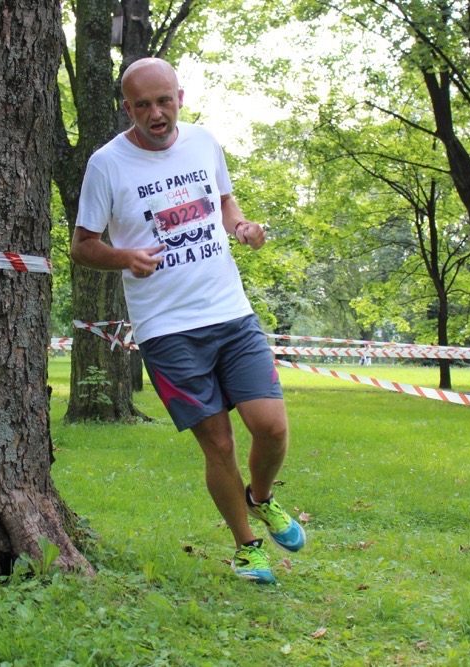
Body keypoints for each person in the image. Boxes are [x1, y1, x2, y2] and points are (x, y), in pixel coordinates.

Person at [70, 57, 304, 584]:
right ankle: (246, 547)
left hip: (231, 313)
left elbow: (224, 201)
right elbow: (82, 246)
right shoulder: (106, 164)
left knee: (271, 428)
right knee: (218, 444)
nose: (156, 114)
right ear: (127, 108)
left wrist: (241, 226)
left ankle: (262, 497)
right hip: (166, 328)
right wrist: (125, 257)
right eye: (142, 105)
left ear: (180, 97)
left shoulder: (204, 142)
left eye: (164, 101)